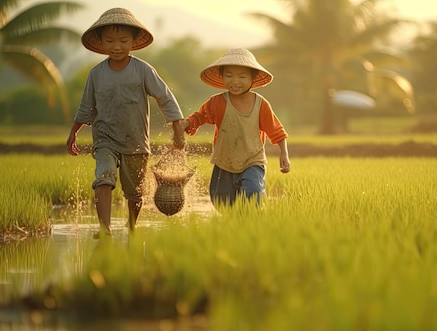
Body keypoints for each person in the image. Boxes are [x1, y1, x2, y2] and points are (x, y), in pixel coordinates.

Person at [66, 8, 186, 237]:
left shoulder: (143, 70)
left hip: (136, 141)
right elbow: (86, 106)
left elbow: (165, 97)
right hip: (105, 138)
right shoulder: (96, 74)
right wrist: (74, 133)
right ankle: (105, 229)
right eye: (110, 40)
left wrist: (177, 130)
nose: (117, 46)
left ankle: (131, 227)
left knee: (134, 193)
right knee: (104, 177)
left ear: (133, 41)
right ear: (101, 42)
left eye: (123, 40)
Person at [180, 48, 290, 207]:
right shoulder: (217, 102)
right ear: (222, 76)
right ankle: (234, 227)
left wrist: (284, 154)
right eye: (229, 75)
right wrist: (186, 123)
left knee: (252, 192)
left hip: (253, 160)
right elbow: (200, 116)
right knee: (223, 203)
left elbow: (276, 130)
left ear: (253, 77)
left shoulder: (261, 104)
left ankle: (250, 222)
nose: (235, 81)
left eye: (242, 76)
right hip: (224, 161)